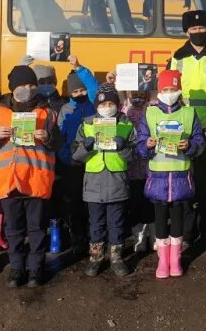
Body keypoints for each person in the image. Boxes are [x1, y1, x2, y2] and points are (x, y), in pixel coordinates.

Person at [0, 65, 62, 288]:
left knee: (36, 229)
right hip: (9, 181)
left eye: (32, 85)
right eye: (24, 85)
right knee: (13, 230)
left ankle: (35, 269)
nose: (29, 89)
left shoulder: (47, 112)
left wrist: (47, 137)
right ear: (13, 87)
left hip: (36, 179)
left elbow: (58, 142)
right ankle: (16, 269)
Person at [136, 70, 206, 278]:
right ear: (159, 91)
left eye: (173, 89)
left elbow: (199, 142)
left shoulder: (189, 113)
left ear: (179, 90)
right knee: (159, 218)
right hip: (157, 176)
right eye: (165, 89)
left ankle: (175, 261)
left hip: (180, 176)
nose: (169, 93)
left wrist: (189, 145)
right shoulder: (149, 113)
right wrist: (147, 144)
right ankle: (162, 262)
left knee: (177, 217)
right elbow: (140, 144)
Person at [170, 10, 206, 247]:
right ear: (186, 32)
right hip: (184, 128)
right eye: (193, 30)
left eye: (202, 29)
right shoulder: (177, 57)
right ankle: (187, 230)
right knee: (185, 180)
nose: (197, 32)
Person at [72, 84, 136, 277]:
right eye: (103, 103)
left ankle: (116, 258)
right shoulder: (87, 124)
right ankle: (96, 258)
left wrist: (123, 146)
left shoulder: (126, 124)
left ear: (117, 104)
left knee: (116, 222)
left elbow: (133, 156)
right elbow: (75, 155)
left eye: (111, 103)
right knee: (96, 223)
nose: (107, 107)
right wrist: (86, 147)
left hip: (117, 181)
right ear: (96, 105)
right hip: (93, 182)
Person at [54, 67, 97, 257]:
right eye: (75, 91)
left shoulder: (93, 105)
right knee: (73, 203)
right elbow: (60, 137)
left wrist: (81, 69)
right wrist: (67, 158)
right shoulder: (66, 110)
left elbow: (93, 86)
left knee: (90, 203)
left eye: (82, 90)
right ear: (70, 93)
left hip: (91, 162)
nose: (80, 94)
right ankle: (77, 238)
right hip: (71, 164)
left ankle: (93, 237)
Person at [123, 89, 155, 254]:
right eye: (134, 96)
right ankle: (139, 237)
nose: (137, 99)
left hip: (150, 168)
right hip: (132, 168)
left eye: (141, 96)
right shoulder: (124, 111)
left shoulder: (152, 109)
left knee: (150, 203)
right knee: (135, 203)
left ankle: (155, 236)